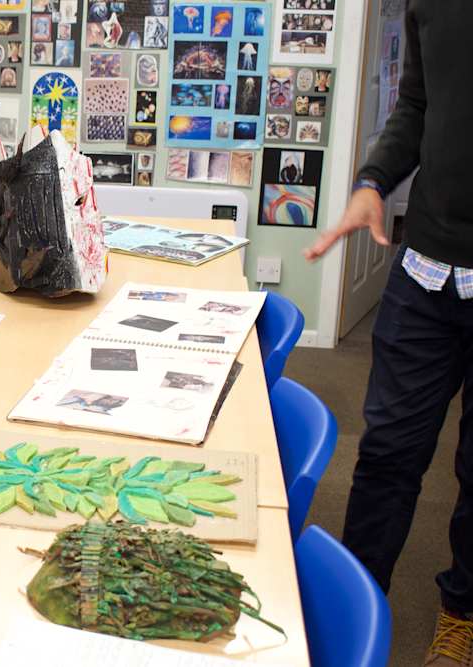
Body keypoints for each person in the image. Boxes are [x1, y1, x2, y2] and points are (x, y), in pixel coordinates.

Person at [305, 3, 473, 664]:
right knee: (386, 457)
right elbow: (418, 105)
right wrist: (374, 181)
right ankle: (352, 611)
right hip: (426, 269)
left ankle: (461, 612)